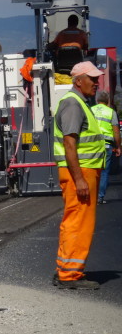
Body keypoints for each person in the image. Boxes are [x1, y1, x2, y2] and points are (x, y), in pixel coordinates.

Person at [52, 61, 106, 290]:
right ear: (78, 81)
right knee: (79, 222)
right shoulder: (74, 105)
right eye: (92, 79)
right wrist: (80, 179)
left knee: (75, 220)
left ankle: (66, 269)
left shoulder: (79, 103)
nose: (96, 83)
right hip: (80, 172)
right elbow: (69, 143)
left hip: (81, 171)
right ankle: (69, 274)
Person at [91, 91, 121, 204]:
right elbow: (116, 131)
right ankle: (100, 197)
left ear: (97, 100)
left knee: (93, 170)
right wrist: (118, 146)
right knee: (104, 171)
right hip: (106, 145)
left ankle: (91, 196)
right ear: (107, 101)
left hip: (92, 145)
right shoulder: (111, 112)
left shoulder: (91, 110)